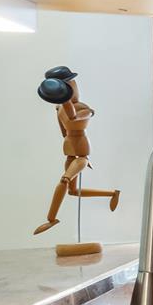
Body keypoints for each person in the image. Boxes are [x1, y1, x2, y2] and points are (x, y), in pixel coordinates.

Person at [33, 65, 119, 234]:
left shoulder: (83, 108)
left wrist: (64, 99)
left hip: (81, 151)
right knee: (72, 191)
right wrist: (61, 102)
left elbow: (73, 117)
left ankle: (51, 219)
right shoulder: (59, 109)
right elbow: (64, 131)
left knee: (64, 180)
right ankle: (112, 193)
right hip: (69, 150)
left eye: (71, 86)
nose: (73, 90)